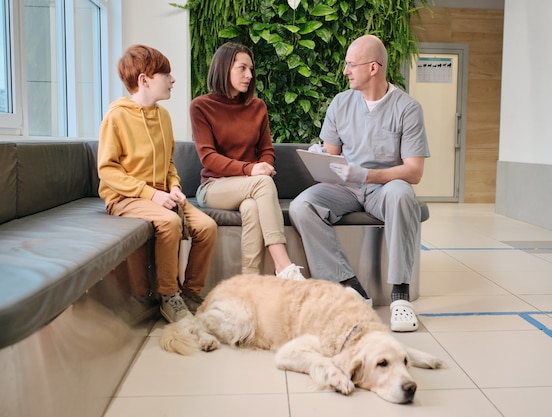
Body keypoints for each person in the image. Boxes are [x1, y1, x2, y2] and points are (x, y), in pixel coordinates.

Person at [289, 35, 430, 332]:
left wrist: (366, 175)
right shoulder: (341, 103)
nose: (345, 71)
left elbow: (414, 171)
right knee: (303, 205)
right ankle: (348, 285)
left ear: (374, 68)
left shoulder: (407, 108)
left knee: (403, 194)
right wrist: (320, 157)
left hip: (384, 189)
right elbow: (332, 153)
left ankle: (400, 296)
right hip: (346, 189)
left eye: (351, 64)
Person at [98, 44, 218, 323]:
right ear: (144, 80)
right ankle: (168, 295)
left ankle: (189, 294)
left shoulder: (163, 116)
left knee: (207, 227)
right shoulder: (116, 117)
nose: (172, 80)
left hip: (161, 195)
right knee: (170, 222)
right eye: (166, 74)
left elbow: (169, 163)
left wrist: (174, 186)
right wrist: (151, 195)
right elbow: (107, 171)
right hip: (124, 198)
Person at [190, 42, 305, 280]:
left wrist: (263, 165)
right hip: (214, 186)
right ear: (224, 68)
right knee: (262, 182)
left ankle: (250, 283)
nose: (249, 75)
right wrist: (251, 169)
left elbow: (266, 150)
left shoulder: (257, 107)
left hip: (249, 188)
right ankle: (283, 265)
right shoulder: (201, 106)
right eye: (242, 68)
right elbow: (208, 157)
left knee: (252, 207)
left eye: (251, 69)